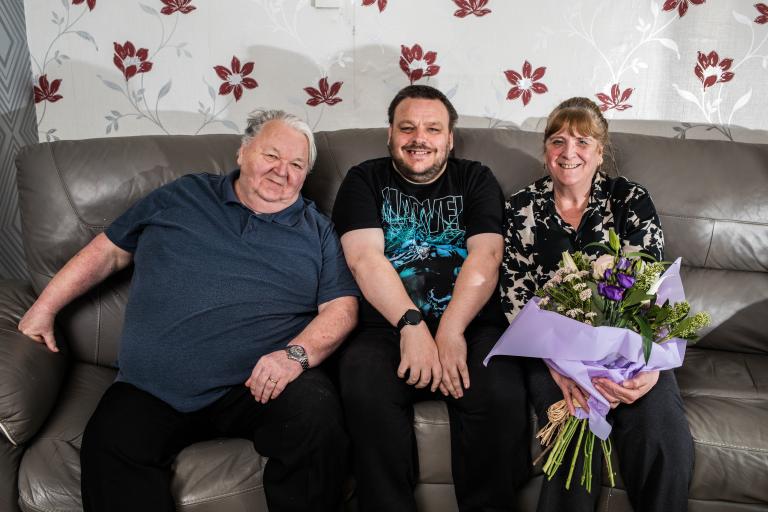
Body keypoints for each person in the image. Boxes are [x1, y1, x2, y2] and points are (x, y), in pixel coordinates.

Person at [18, 110, 360, 512]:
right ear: (243, 152)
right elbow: (107, 252)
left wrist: (294, 356)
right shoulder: (183, 196)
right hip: (155, 387)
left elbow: (342, 308)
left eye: (297, 164)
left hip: (260, 384)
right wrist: (44, 307)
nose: (282, 171)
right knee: (110, 443)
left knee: (317, 417)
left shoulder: (317, 230)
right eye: (271, 155)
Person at [332, 84, 529, 512]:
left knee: (500, 393)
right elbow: (364, 259)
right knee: (363, 386)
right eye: (407, 128)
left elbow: (487, 254)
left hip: (472, 323)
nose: (419, 138)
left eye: (432, 128)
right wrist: (412, 325)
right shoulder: (364, 179)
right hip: (386, 326)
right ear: (390, 134)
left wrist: (452, 330)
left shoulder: (475, 178)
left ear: (449, 139)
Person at [501, 97, 693, 512]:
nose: (569, 152)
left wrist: (653, 371)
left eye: (582, 141)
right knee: (575, 427)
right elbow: (515, 296)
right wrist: (558, 368)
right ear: (546, 150)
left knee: (661, 434)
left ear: (600, 152)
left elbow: (652, 287)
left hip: (631, 353)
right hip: (551, 352)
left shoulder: (630, 200)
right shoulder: (520, 209)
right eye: (558, 140)